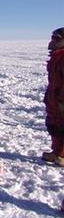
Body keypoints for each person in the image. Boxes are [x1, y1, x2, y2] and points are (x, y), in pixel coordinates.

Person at [42, 27, 64, 166]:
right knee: (53, 124)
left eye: (57, 38)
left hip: (62, 98)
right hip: (54, 97)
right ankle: (56, 152)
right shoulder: (56, 55)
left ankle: (62, 155)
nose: (53, 41)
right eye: (53, 38)